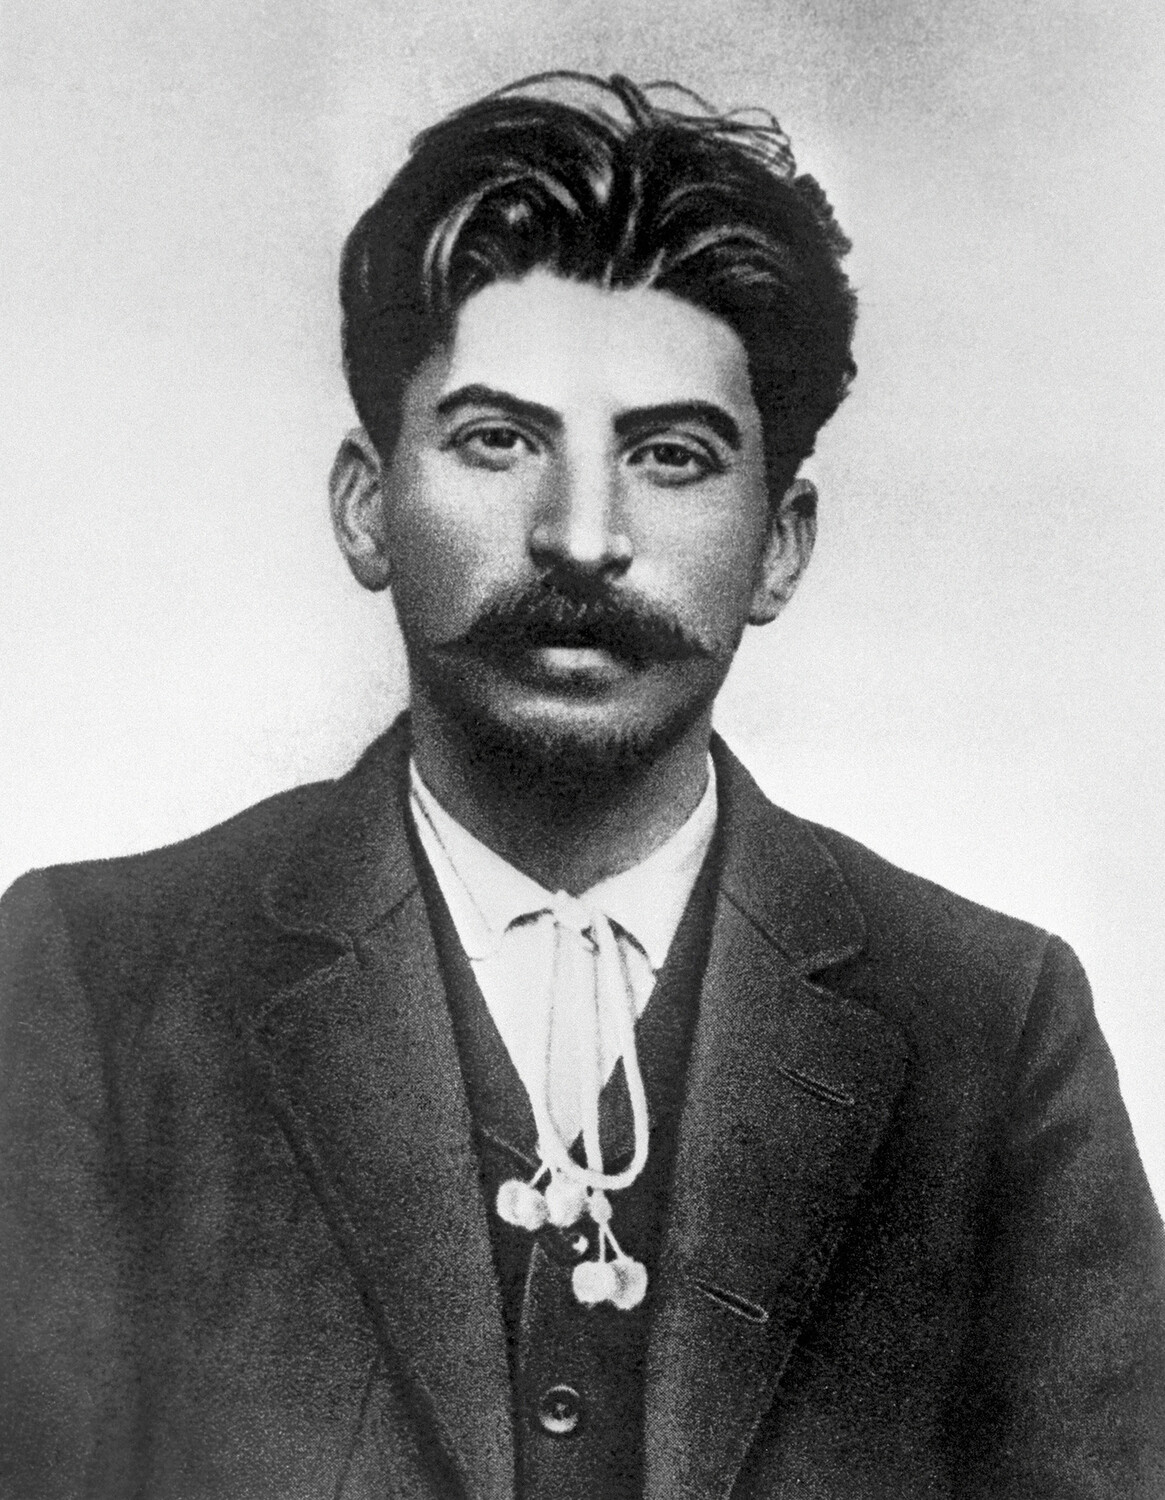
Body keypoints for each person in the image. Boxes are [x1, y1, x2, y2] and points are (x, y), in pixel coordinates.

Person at [1, 71, 1162, 1500]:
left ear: (780, 545)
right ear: (367, 507)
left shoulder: (991, 1027)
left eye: (670, 456)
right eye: (498, 439)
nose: (581, 535)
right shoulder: (95, 986)